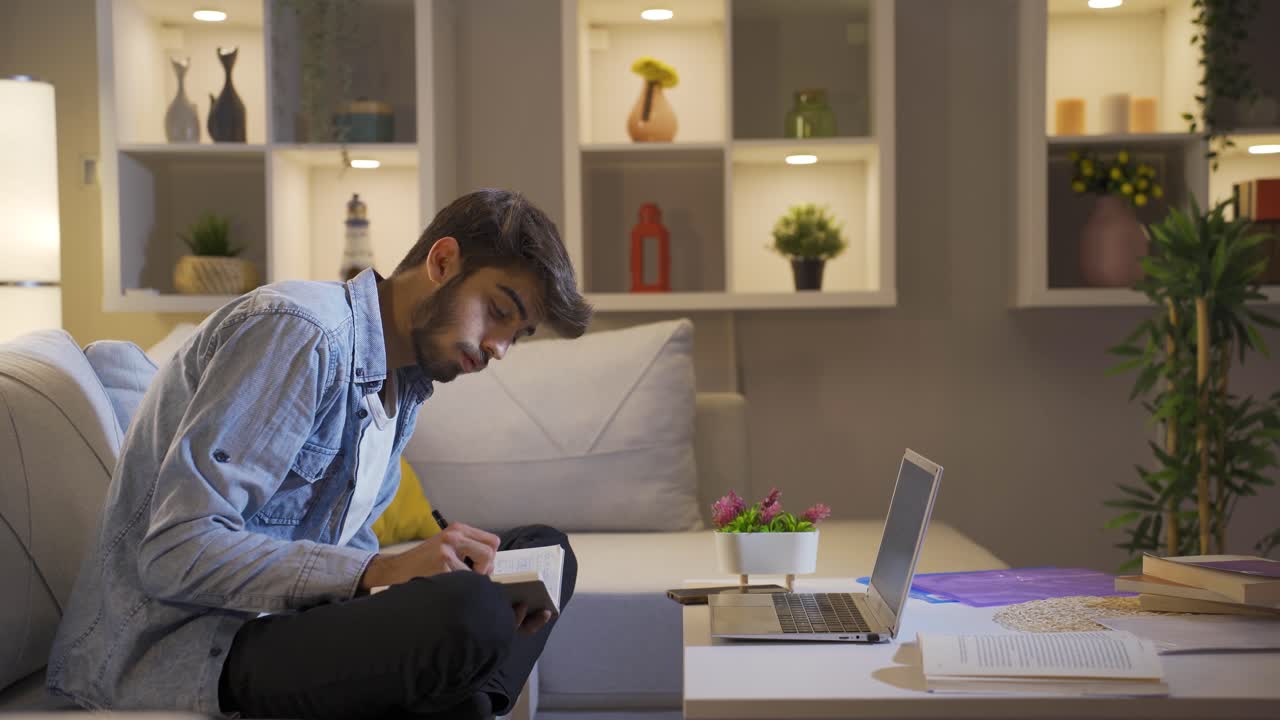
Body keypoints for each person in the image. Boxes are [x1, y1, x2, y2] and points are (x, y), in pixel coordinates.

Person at [47, 189, 593, 719]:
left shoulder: (403, 385)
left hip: (287, 623)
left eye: (516, 336)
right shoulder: (300, 332)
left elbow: (340, 547)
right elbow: (175, 551)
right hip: (192, 644)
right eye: (498, 310)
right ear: (443, 261)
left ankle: (466, 697)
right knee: (473, 615)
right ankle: (465, 698)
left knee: (545, 551)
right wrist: (385, 570)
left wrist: (410, 575)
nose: (498, 348)